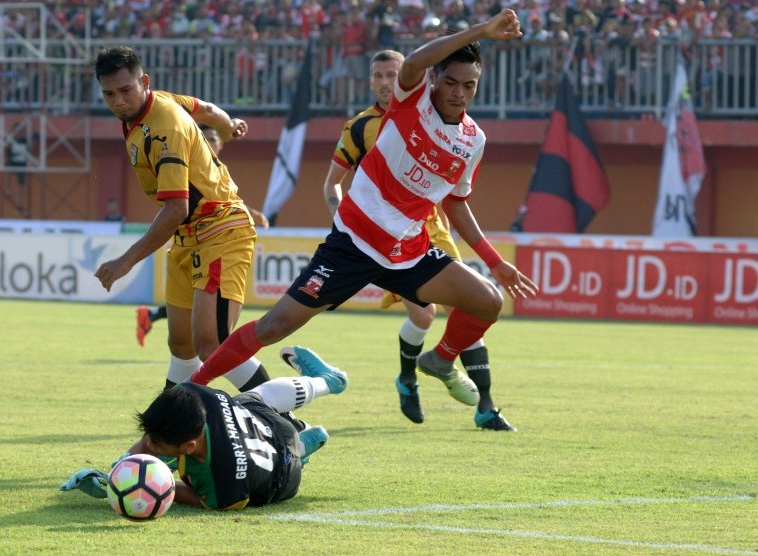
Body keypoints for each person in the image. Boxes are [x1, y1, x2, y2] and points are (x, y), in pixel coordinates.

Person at [190, 11, 538, 418]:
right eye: (451, 82)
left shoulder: (473, 140)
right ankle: (191, 389)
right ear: (433, 80)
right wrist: (482, 31)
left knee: (488, 302)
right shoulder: (412, 101)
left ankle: (440, 360)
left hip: (408, 252)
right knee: (272, 327)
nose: (459, 93)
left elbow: (456, 202)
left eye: (469, 85)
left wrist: (496, 263)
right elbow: (411, 64)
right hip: (352, 245)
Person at [322, 50, 515, 431]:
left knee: (469, 305)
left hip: (431, 225)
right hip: (380, 232)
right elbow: (332, 184)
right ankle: (409, 376)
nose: (383, 81)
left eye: (391, 74)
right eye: (377, 75)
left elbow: (456, 194)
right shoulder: (360, 127)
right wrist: (345, 227)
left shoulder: (432, 111)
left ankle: (486, 405)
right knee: (424, 314)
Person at [92, 46, 271, 393]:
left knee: (213, 344)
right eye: (109, 93)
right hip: (189, 237)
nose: (118, 101)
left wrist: (125, 261)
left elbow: (176, 209)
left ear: (144, 82)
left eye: (125, 90)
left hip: (219, 227)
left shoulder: (164, 127)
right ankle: (171, 425)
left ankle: (287, 421)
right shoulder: (154, 103)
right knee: (181, 345)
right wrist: (227, 124)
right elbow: (203, 108)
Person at [60, 346, 348, 510]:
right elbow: (153, 441)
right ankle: (324, 386)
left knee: (261, 422)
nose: (148, 447)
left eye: (156, 446)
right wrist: (119, 469)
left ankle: (303, 442)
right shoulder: (199, 397)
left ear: (189, 447)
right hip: (268, 429)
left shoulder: (221, 485)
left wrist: (121, 485)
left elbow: (181, 491)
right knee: (253, 398)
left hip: (284, 480)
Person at [134, 126, 270, 348]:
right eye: (205, 138)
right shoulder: (185, 163)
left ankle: (152, 316)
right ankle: (153, 317)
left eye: (214, 139)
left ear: (221, 144)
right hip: (196, 239)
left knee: (199, 323)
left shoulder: (217, 168)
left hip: (209, 236)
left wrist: (250, 211)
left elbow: (223, 199)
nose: (210, 142)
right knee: (207, 339)